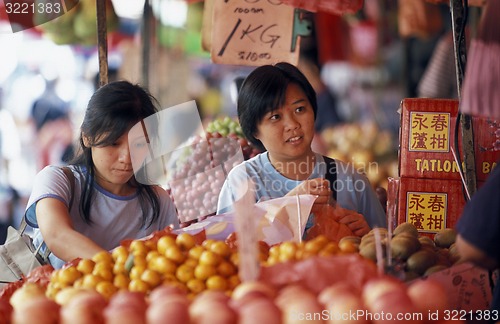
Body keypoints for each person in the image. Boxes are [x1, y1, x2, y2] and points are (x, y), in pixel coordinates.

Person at [216, 62, 386, 237]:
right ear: (253, 130)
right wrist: (289, 206)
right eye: (275, 117)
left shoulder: (351, 181)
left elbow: (390, 251)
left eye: (300, 109)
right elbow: (226, 254)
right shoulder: (241, 183)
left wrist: (368, 238)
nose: (292, 124)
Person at [24, 81, 179, 269]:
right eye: (114, 143)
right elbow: (57, 235)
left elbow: (172, 260)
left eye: (139, 144)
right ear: (87, 137)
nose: (127, 158)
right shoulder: (57, 180)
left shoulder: (158, 202)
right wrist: (122, 270)